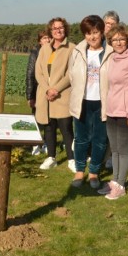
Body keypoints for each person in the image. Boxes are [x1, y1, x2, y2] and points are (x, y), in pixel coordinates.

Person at [101, 24, 128, 200]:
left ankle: (121, 184)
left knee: (123, 150)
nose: (118, 42)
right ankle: (115, 181)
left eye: (121, 39)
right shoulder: (112, 58)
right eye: (114, 40)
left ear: (127, 40)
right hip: (112, 110)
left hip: (126, 112)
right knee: (115, 150)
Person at [69, 15, 112, 189]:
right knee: (81, 138)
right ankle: (79, 171)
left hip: (102, 102)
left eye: (95, 32)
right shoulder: (78, 51)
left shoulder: (110, 52)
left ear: (101, 32)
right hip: (82, 102)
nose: (92, 37)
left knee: (100, 139)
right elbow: (71, 74)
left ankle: (94, 171)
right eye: (88, 33)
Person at [35, 17, 76, 172]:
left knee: (66, 128)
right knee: (49, 128)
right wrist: (47, 89)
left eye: (61, 28)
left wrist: (56, 89)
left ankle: (71, 159)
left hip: (62, 95)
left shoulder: (72, 48)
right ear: (50, 31)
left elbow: (71, 73)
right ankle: (51, 157)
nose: (58, 30)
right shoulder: (44, 48)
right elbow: (38, 72)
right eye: (54, 28)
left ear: (65, 29)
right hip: (45, 96)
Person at [26, 30, 51, 155]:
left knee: (49, 119)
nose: (47, 40)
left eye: (48, 38)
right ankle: (35, 143)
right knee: (36, 118)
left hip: (49, 90)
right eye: (44, 38)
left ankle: (46, 142)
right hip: (37, 90)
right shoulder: (35, 53)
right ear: (39, 41)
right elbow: (30, 74)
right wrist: (30, 96)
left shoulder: (53, 52)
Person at [102, 10, 120, 170]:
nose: (109, 27)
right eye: (107, 23)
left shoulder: (118, 44)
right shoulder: (96, 42)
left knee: (112, 130)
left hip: (114, 91)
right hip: (98, 91)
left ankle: (110, 157)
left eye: (112, 24)